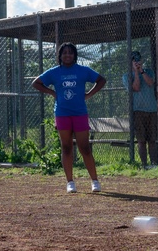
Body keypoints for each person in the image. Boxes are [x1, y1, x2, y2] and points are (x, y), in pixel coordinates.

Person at [32, 42, 106, 193]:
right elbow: (36, 83)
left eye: (70, 53)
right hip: (62, 113)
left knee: (84, 148)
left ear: (75, 55)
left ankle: (94, 181)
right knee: (66, 148)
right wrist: (52, 93)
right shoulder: (54, 72)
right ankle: (70, 182)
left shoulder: (83, 70)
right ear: (60, 55)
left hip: (79, 113)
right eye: (64, 53)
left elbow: (101, 80)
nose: (67, 55)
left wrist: (89, 94)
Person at [124, 50, 157, 168]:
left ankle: (154, 164)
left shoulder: (149, 72)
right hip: (137, 111)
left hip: (151, 109)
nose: (136, 62)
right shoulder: (126, 76)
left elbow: (150, 83)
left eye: (138, 59)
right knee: (141, 140)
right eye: (133, 60)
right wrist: (136, 73)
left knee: (152, 139)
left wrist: (141, 71)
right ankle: (144, 164)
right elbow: (136, 88)